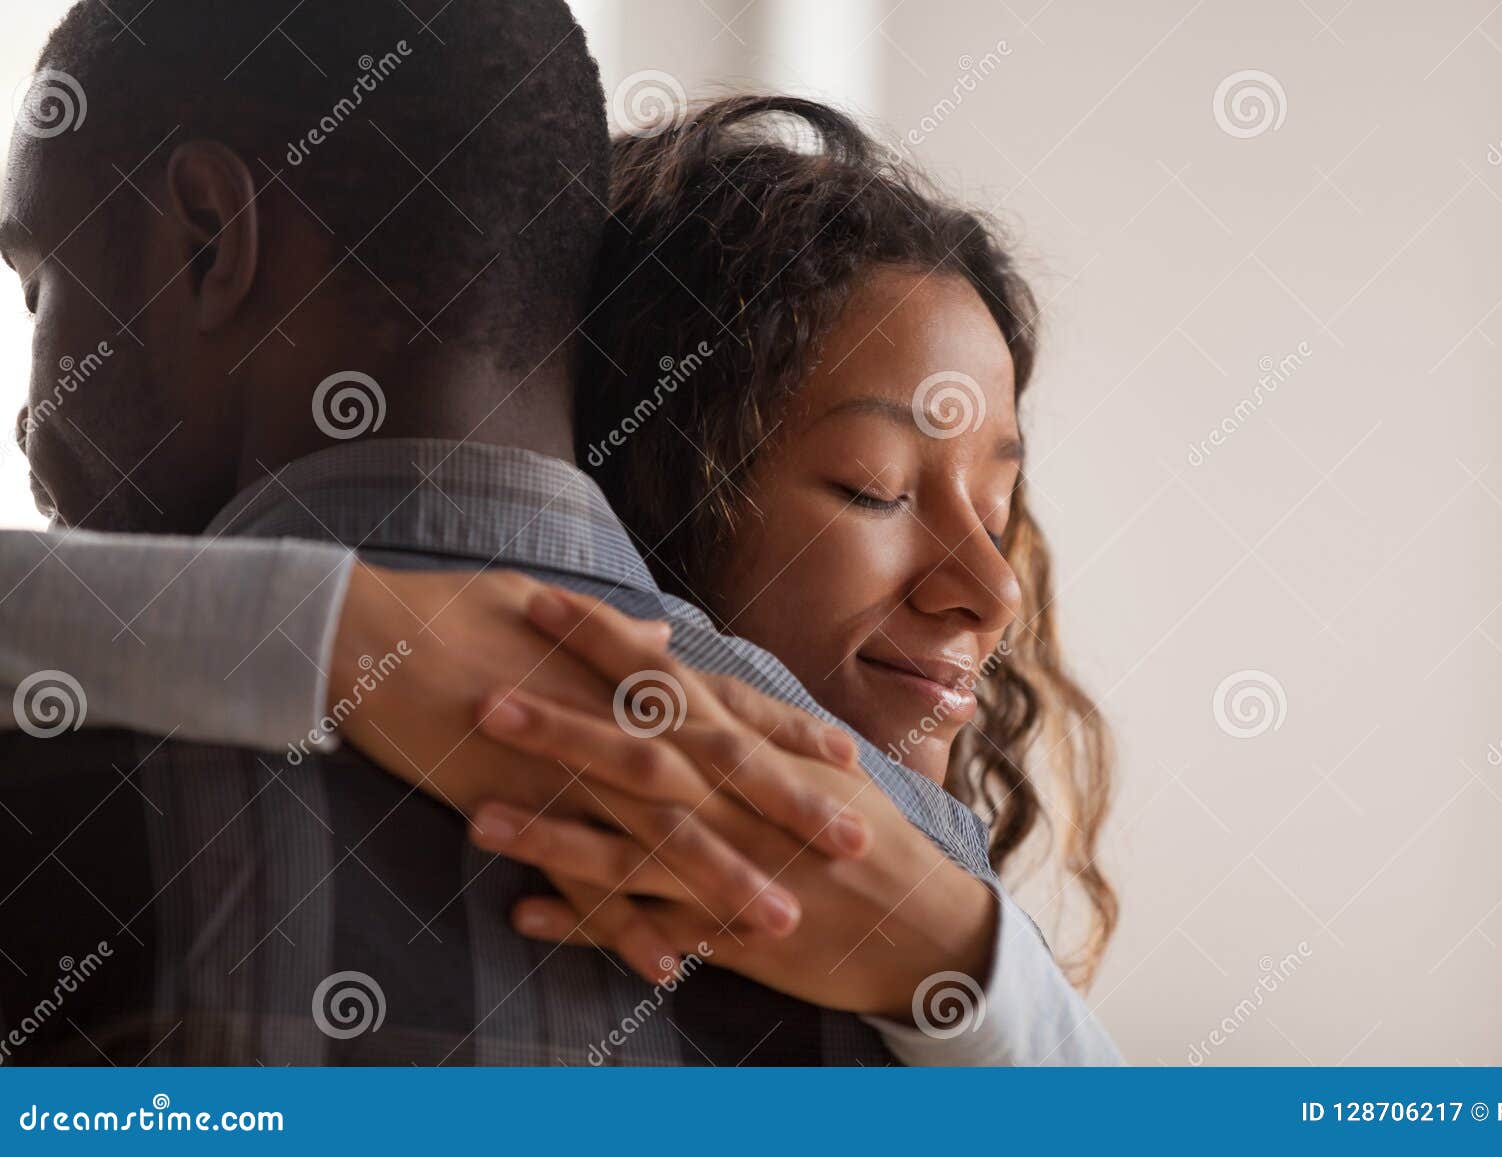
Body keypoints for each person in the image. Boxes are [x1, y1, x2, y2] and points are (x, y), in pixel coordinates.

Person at [0, 0, 1116, 1065]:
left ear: (208, 242)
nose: (993, 589)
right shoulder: (918, 926)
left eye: (42, 285)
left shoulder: (60, 768)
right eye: (875, 485)